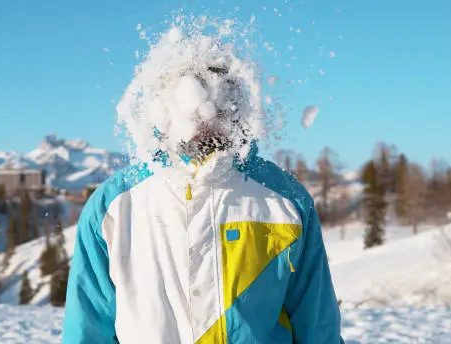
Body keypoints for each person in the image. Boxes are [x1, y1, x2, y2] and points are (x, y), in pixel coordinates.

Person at [62, 64, 344, 343]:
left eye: (215, 100)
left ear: (235, 104)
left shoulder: (285, 199)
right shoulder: (114, 205)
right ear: (165, 108)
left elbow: (317, 326)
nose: (202, 115)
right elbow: (88, 329)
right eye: (191, 102)